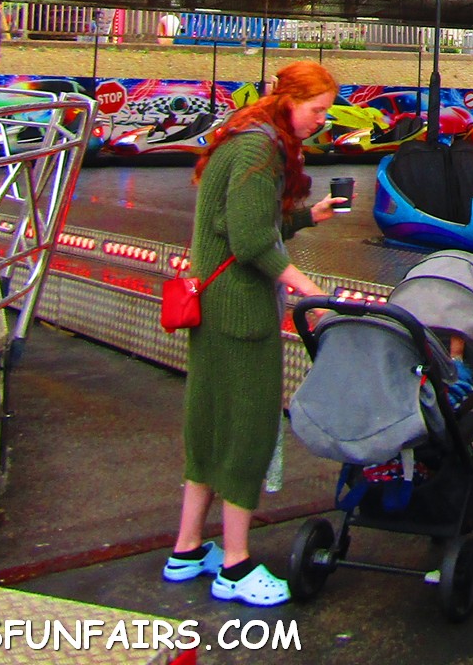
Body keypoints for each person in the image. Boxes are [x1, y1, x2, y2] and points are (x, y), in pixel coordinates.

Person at [164, 60, 345, 606]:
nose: (321, 120)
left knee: (209, 422)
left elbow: (241, 223)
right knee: (247, 430)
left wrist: (308, 218)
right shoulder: (260, 150)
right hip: (240, 314)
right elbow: (250, 243)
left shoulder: (244, 138)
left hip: (213, 308)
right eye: (316, 110)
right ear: (291, 101)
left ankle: (188, 548)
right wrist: (308, 289)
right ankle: (237, 567)